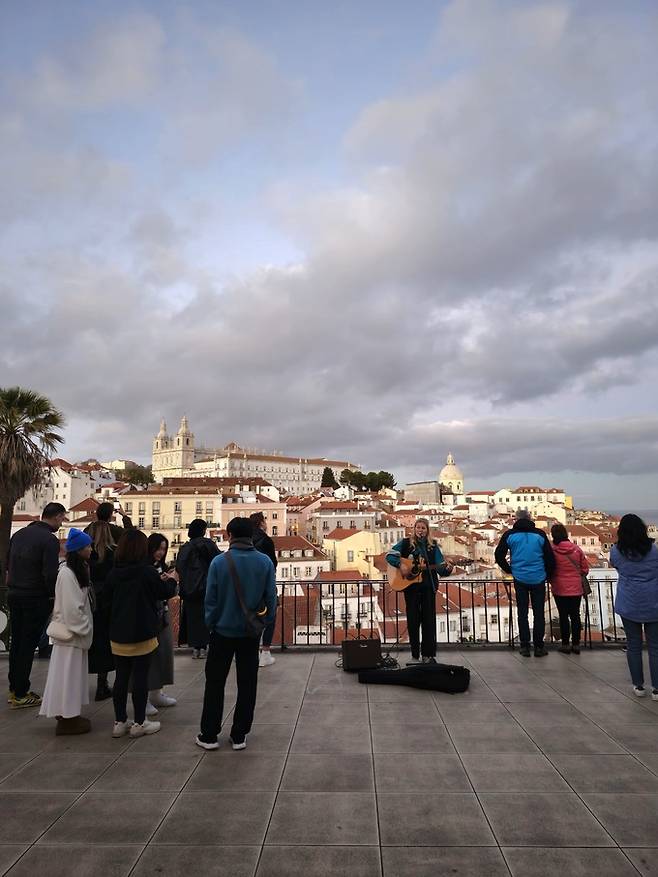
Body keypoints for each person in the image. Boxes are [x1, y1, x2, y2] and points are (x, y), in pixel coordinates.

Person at [196, 516, 277, 751]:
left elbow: (210, 599)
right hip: (250, 633)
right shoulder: (264, 563)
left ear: (229, 535)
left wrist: (211, 623)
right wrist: (264, 621)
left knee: (215, 683)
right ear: (251, 536)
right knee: (247, 682)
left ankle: (209, 734)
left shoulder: (219, 563)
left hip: (222, 631)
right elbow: (271, 598)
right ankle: (239, 734)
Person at [105, 530, 177, 738]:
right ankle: (139, 722)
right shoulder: (146, 573)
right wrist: (172, 580)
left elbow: (106, 603)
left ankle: (119, 722)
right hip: (143, 631)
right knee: (140, 677)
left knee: (121, 678)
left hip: (118, 633)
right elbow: (165, 592)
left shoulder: (113, 574)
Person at [7, 502, 66, 709]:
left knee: (17, 643)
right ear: (57, 516)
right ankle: (21, 692)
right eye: (62, 519)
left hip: (14, 593)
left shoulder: (20, 535)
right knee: (28, 644)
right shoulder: (49, 540)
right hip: (35, 596)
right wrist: (53, 597)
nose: (61, 523)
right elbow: (50, 573)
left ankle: (15, 688)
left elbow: (8, 563)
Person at [39, 529, 94, 735]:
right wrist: (85, 627)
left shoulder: (73, 572)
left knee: (69, 677)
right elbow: (72, 608)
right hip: (71, 636)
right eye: (87, 546)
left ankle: (70, 714)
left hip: (73, 636)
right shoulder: (67, 574)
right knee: (67, 677)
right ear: (79, 550)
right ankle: (67, 717)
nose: (90, 549)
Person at [386, 518, 453, 665]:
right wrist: (401, 565)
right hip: (411, 589)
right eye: (418, 527)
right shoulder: (405, 544)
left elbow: (440, 567)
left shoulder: (433, 546)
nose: (420, 530)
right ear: (414, 529)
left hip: (428, 588)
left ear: (427, 530)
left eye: (423, 528)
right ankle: (415, 655)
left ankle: (428, 655)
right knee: (413, 621)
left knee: (429, 621)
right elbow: (389, 555)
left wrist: (448, 568)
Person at [495, 509, 556, 657]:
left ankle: (524, 646)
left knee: (522, 613)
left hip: (520, 577)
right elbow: (550, 557)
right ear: (530, 519)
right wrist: (547, 574)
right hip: (538, 578)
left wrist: (509, 569)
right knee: (539, 613)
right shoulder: (540, 534)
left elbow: (498, 554)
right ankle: (539, 647)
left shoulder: (510, 535)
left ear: (516, 519)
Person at [611, 514, 658, 699]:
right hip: (653, 601)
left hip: (628, 601)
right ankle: (656, 689)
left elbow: (617, 567)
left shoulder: (615, 551)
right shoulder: (654, 551)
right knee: (655, 646)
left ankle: (638, 686)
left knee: (634, 645)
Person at [176, 519, 220, 659]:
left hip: (188, 590)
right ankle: (204, 647)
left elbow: (179, 568)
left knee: (192, 619)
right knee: (206, 617)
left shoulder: (184, 548)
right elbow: (218, 561)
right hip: (206, 587)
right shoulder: (208, 545)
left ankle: (196, 647)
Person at [144, 533, 178, 712]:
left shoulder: (161, 567)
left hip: (162, 615)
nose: (160, 552)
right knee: (149, 658)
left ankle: (156, 692)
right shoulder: (147, 568)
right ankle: (146, 697)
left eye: (164, 549)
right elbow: (159, 591)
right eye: (158, 549)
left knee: (163, 655)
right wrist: (169, 582)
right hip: (151, 617)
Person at [548, 524, 590, 654]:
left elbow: (550, 568)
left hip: (559, 587)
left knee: (563, 616)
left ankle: (565, 644)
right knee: (575, 616)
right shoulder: (577, 549)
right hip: (576, 587)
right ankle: (576, 644)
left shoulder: (553, 551)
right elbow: (585, 569)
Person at [88, 518, 117, 701]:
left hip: (90, 600)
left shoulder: (86, 553)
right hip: (107, 601)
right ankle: (102, 683)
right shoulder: (112, 552)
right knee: (105, 643)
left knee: (91, 642)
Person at [250, 511, 278, 667]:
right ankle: (265, 652)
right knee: (270, 615)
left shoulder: (246, 539)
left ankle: (250, 650)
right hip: (265, 584)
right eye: (265, 521)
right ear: (261, 523)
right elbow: (273, 563)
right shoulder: (266, 540)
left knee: (250, 615)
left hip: (247, 584)